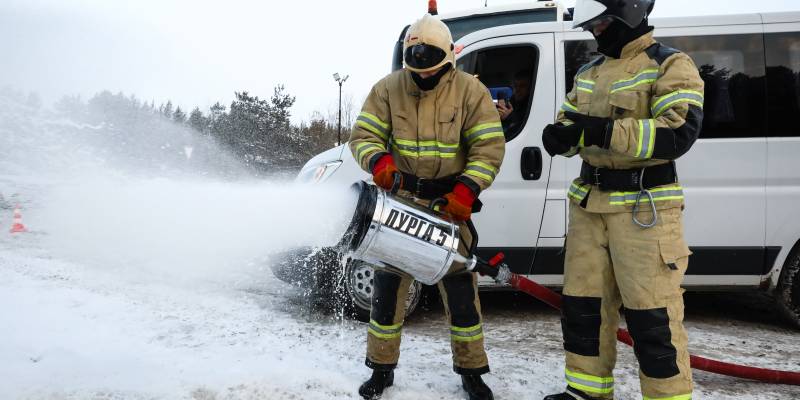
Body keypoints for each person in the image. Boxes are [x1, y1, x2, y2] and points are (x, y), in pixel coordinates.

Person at [541, 1, 704, 399]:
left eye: (600, 22)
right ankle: (586, 391)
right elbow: (572, 125)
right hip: (589, 207)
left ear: (626, 12)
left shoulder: (670, 65)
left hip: (643, 211)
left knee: (653, 318)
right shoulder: (588, 72)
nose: (595, 31)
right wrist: (559, 138)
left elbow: (677, 133)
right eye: (591, 24)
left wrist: (603, 132)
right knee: (582, 310)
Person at [349, 13, 505, 400]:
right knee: (387, 293)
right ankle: (381, 370)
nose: (422, 75)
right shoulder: (388, 88)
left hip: (450, 205)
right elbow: (363, 135)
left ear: (447, 58)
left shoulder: (470, 91)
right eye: (415, 64)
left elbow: (488, 148)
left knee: (461, 294)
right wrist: (379, 163)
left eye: (429, 65)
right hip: (399, 205)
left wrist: (467, 191)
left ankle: (472, 372)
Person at [497, 70, 532, 135]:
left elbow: (523, 129)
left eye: (522, 86)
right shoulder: (512, 102)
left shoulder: (531, 106)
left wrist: (509, 117)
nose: (517, 89)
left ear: (530, 88)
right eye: (515, 85)